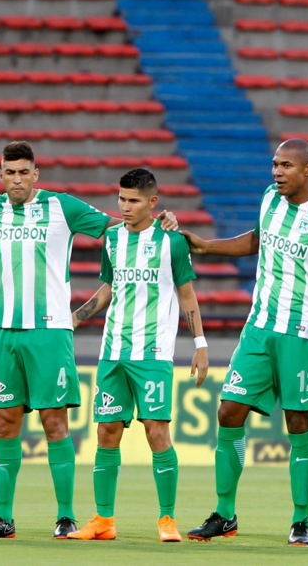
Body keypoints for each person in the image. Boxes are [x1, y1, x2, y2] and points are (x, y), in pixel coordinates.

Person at [0, 142, 178, 540]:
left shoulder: (61, 206)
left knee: (54, 422)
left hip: (50, 331)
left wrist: (160, 220)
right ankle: (2, 518)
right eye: (10, 172)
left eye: (24, 172)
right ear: (0, 175)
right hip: (2, 331)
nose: (17, 179)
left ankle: (66, 517)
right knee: (4, 422)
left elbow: (119, 226)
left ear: (35, 175)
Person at [183, 139, 308, 545]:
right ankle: (224, 514)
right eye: (275, 164)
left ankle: (300, 520)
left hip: (304, 333)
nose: (277, 172)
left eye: (286, 165)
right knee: (228, 412)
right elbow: (258, 240)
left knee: (298, 423)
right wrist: (207, 246)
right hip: (258, 328)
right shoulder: (269, 199)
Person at [67, 168, 210, 543]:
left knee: (156, 430)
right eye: (121, 198)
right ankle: (103, 520)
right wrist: (76, 318)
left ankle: (167, 518)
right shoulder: (112, 239)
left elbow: (186, 295)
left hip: (153, 353)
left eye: (133, 200)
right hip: (113, 351)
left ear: (152, 202)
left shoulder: (171, 242)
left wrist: (200, 344)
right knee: (106, 431)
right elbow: (108, 288)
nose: (125, 206)